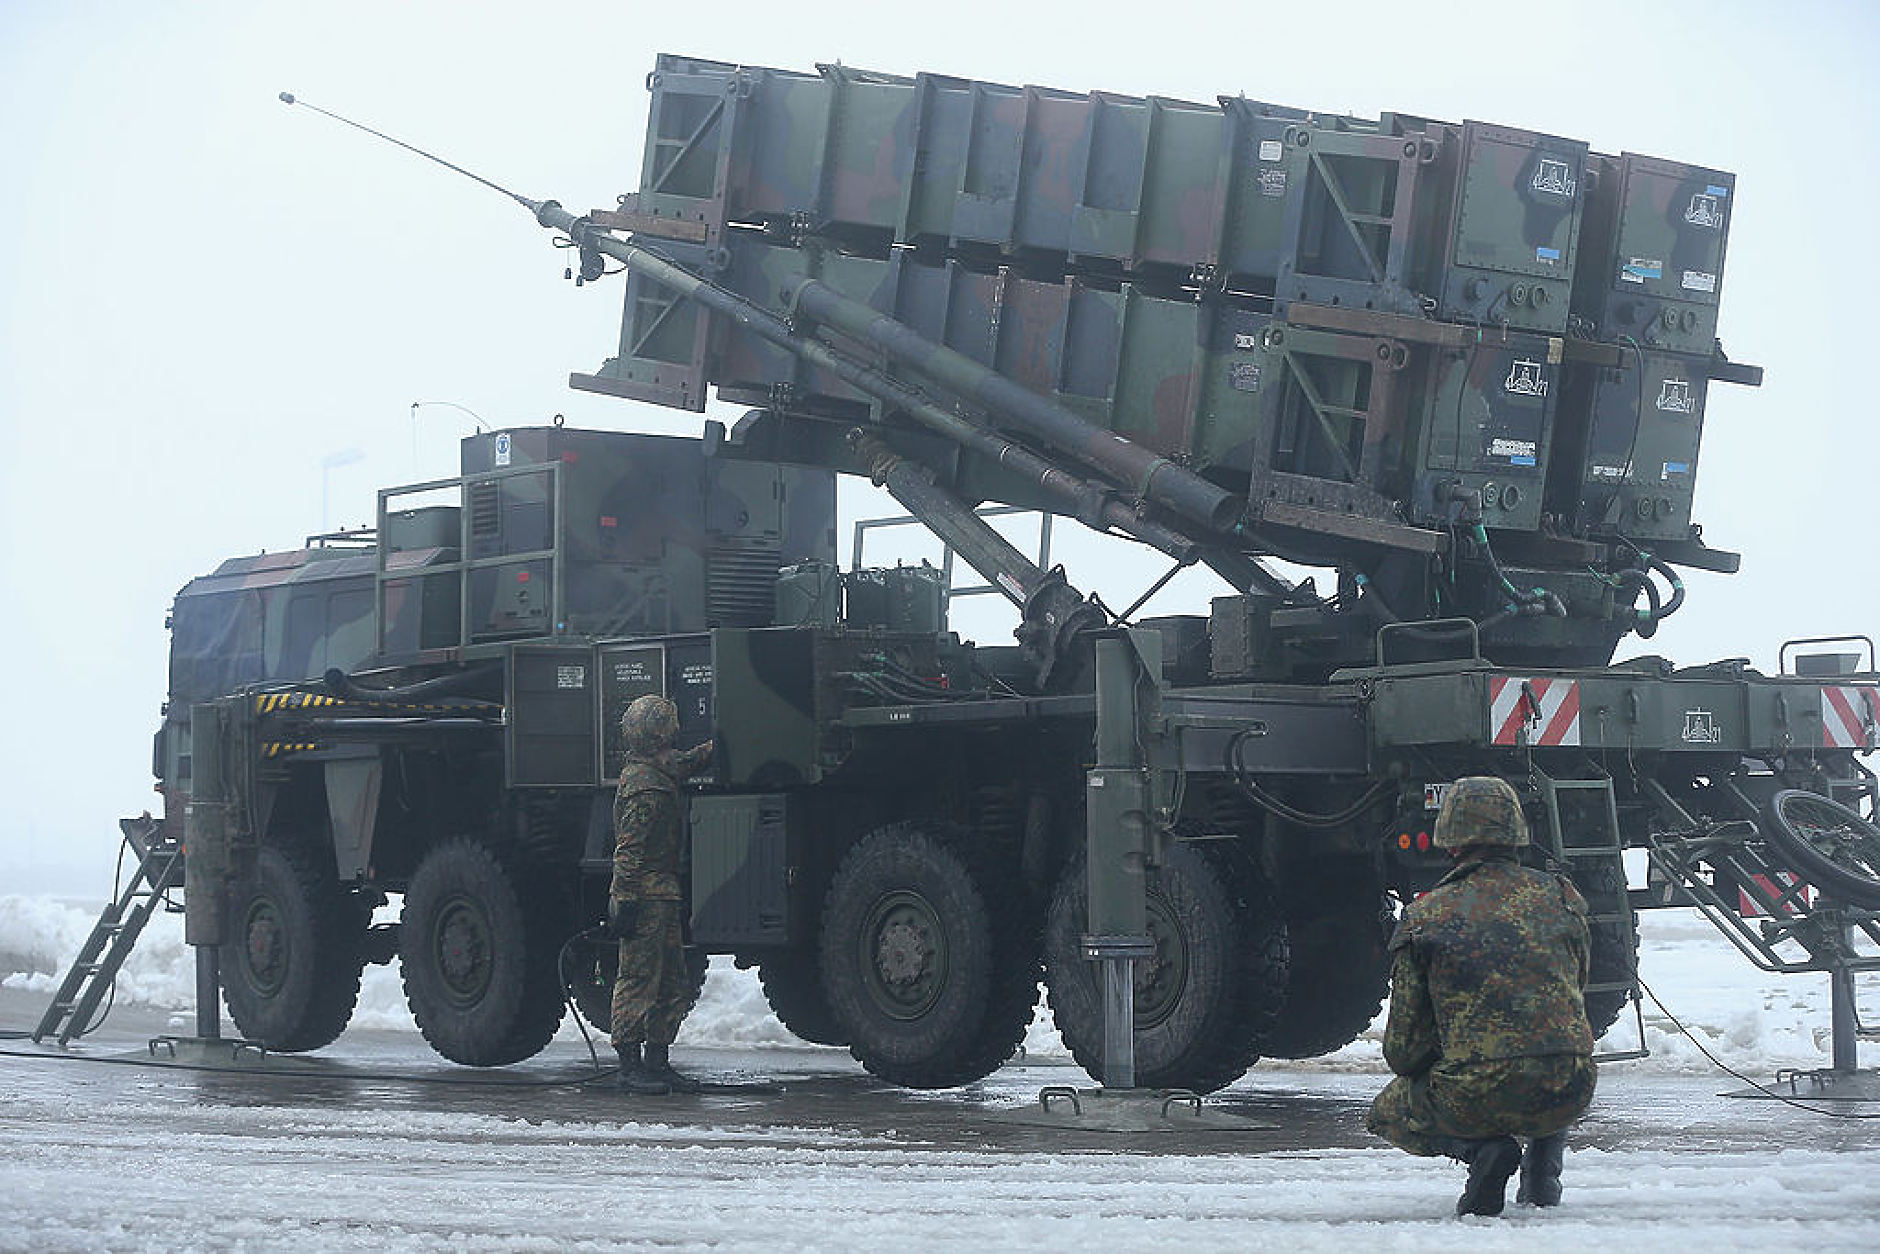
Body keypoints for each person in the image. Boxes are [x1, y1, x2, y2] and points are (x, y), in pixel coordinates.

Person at [1366, 775, 1597, 1216]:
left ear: (1450, 840)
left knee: (1387, 1112)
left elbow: (1403, 1051)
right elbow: (1573, 995)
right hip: (1572, 1087)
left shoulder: (1427, 914)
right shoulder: (1563, 899)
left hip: (1475, 1093)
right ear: (1516, 832)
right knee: (1551, 1054)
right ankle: (1543, 1173)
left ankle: (1484, 1153)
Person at [609, 693, 714, 1095]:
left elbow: (684, 762)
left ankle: (657, 1059)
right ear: (658, 735)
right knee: (638, 979)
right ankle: (629, 1065)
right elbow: (628, 853)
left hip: (663, 895)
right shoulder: (643, 788)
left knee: (673, 981)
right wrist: (625, 901)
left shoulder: (656, 771)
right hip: (646, 897)